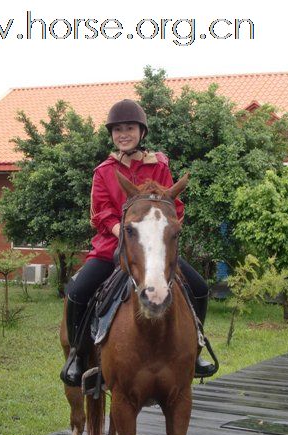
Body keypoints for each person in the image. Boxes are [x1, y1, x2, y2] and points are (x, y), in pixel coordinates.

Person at [61, 99, 217, 387]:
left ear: (141, 132)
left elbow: (174, 205)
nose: (123, 134)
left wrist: (162, 227)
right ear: (111, 134)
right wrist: (120, 229)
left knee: (199, 287)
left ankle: (195, 349)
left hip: (154, 249)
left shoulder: (159, 166)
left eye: (129, 128)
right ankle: (77, 355)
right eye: (118, 129)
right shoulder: (103, 172)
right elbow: (99, 211)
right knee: (77, 292)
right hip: (111, 248)